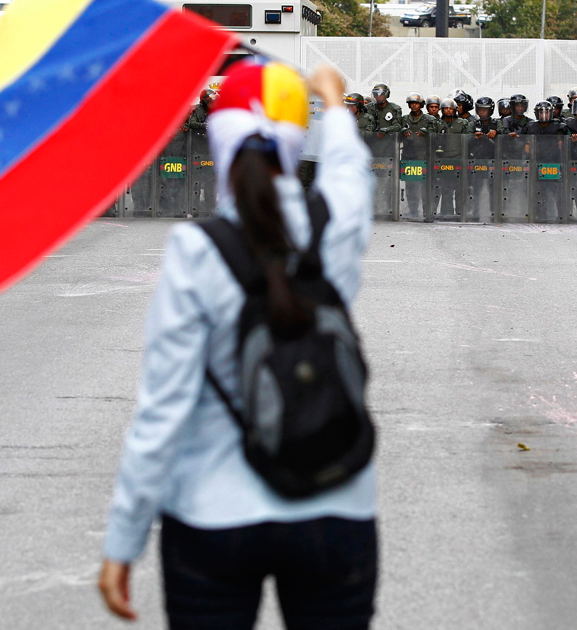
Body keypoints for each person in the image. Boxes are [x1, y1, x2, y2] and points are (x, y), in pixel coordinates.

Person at [99, 62, 377, 629]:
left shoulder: (195, 249)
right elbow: (350, 167)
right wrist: (334, 101)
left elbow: (163, 410)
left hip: (211, 518)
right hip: (335, 510)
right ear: (297, 142)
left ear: (218, 142)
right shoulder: (335, 222)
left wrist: (124, 540)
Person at [401, 93, 436, 217]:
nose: (414, 105)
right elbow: (398, 134)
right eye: (412, 103)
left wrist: (427, 132)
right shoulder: (404, 119)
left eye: (416, 103)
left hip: (424, 157)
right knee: (410, 186)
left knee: (425, 187)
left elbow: (437, 133)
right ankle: (413, 211)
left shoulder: (429, 120)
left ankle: (427, 212)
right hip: (409, 157)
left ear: (421, 105)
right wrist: (402, 132)